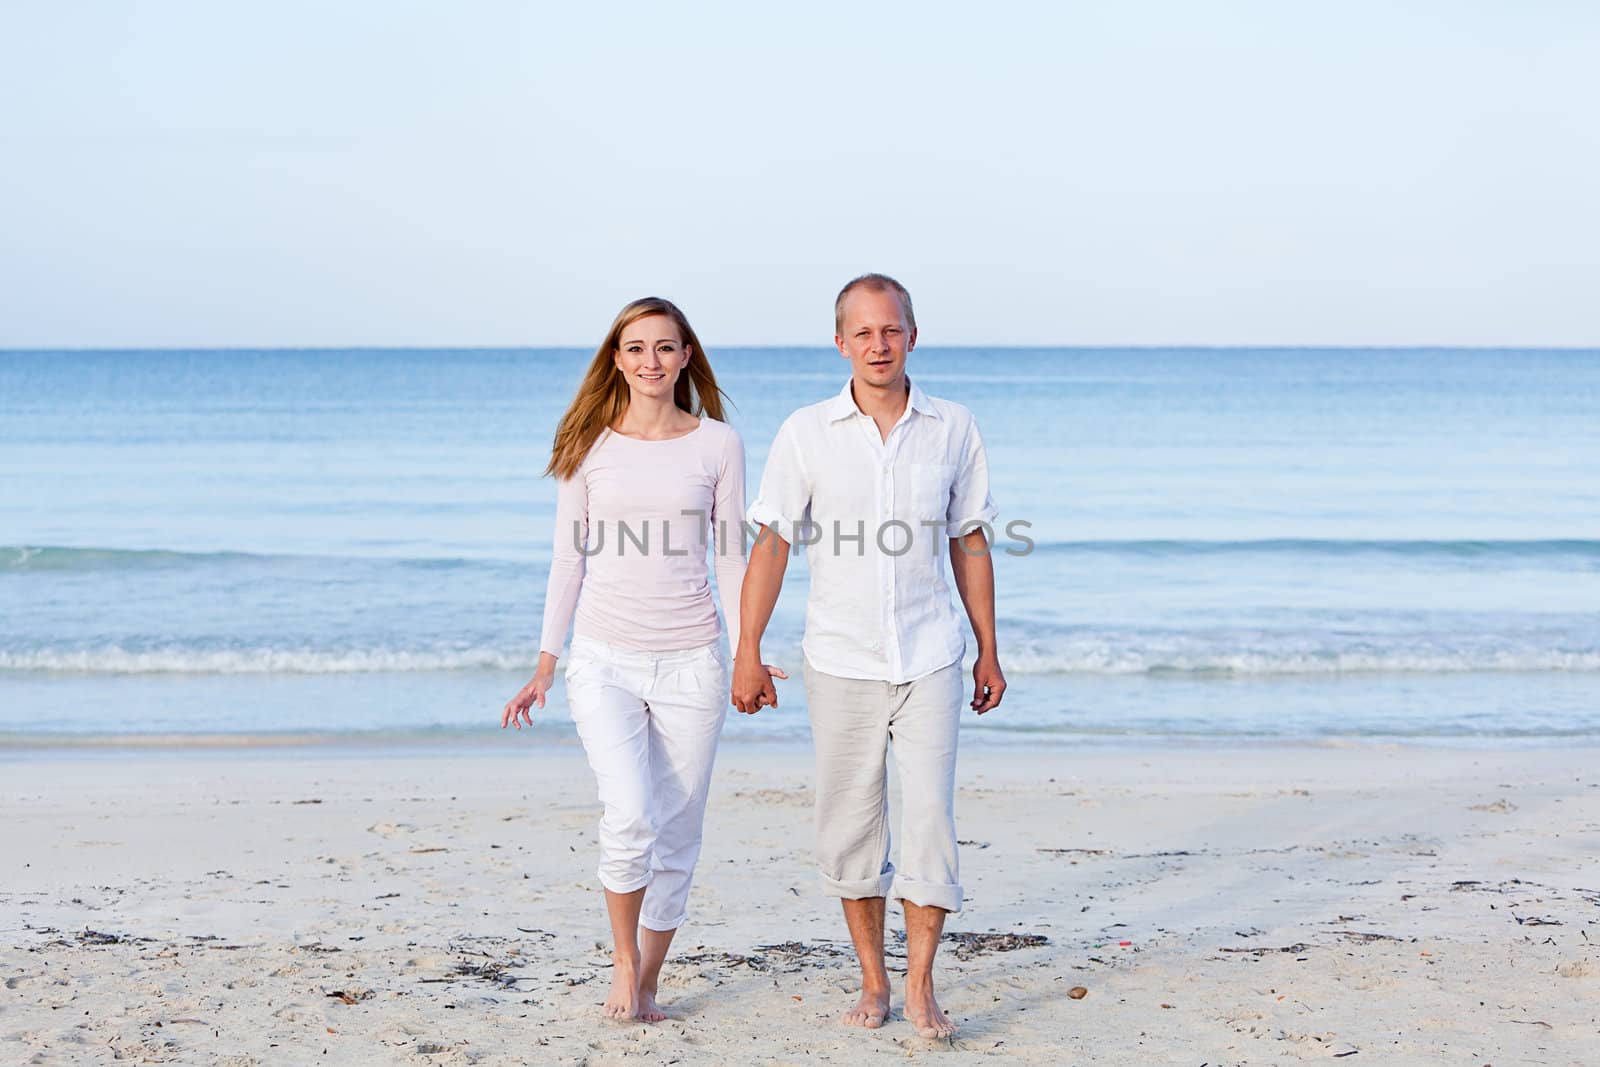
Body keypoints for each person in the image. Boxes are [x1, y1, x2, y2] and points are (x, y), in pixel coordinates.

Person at [732, 273, 1006, 1038]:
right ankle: (872, 978)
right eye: (863, 332)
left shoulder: (953, 427)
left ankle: (921, 985)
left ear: (912, 336)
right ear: (840, 342)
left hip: (930, 656)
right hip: (841, 658)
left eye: (891, 330)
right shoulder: (806, 431)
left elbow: (971, 540)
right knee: (850, 824)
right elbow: (772, 543)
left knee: (929, 822)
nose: (878, 344)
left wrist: (988, 650)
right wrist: (746, 651)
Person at [501, 296, 784, 1022]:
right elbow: (569, 558)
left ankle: (650, 980)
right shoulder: (588, 442)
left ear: (686, 356)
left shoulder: (718, 444)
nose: (650, 361)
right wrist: (544, 662)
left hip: (694, 661)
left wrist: (749, 648)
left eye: (665, 347)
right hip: (604, 661)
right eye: (636, 348)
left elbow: (730, 556)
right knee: (630, 814)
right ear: (616, 358)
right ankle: (624, 963)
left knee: (679, 830)